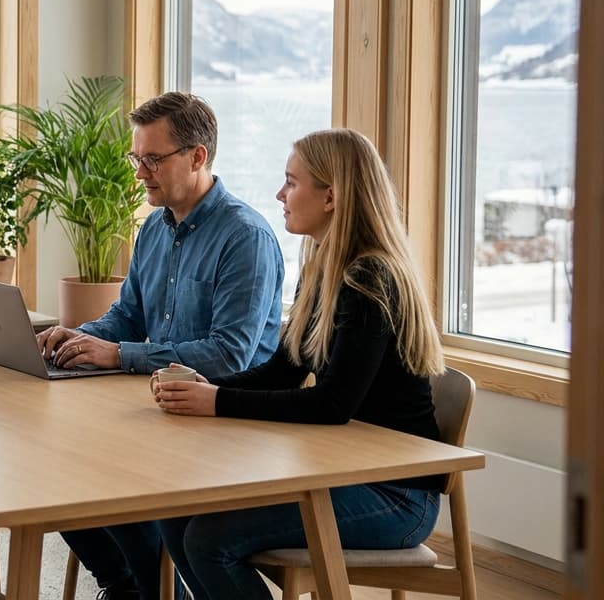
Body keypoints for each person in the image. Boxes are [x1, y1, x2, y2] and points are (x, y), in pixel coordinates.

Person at [153, 128, 447, 600]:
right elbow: (283, 370)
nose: (280, 195)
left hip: (394, 495)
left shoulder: (369, 278)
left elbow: (333, 404)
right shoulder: (322, 268)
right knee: (176, 512)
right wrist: (204, 386)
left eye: (291, 182)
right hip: (339, 472)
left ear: (331, 196)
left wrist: (218, 402)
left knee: (209, 540)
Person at [37, 91, 285, 600]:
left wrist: (120, 355)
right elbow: (127, 316)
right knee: (55, 472)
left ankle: (147, 588)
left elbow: (230, 355)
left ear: (197, 156)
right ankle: (127, 587)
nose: (140, 172)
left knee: (108, 481)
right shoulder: (154, 228)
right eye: (137, 158)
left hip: (231, 420)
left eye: (153, 159)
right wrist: (82, 335)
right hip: (165, 405)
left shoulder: (245, 238)